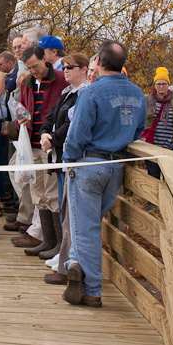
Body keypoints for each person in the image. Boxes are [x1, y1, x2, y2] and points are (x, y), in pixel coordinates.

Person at [63, 41, 145, 308]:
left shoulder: (92, 93)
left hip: (89, 164)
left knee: (84, 227)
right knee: (89, 222)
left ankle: (92, 288)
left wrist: (68, 159)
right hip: (117, 166)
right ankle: (76, 264)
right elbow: (138, 131)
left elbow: (78, 134)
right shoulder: (136, 93)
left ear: (97, 61)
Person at [40, 53, 89, 284]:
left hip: (72, 159)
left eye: (71, 67)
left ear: (85, 69)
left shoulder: (85, 94)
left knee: (71, 213)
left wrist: (54, 139)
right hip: (58, 156)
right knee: (61, 204)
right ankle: (62, 252)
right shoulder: (66, 92)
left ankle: (68, 260)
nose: (66, 70)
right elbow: (51, 115)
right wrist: (45, 133)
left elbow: (73, 125)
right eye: (65, 67)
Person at [13, 46, 67, 256]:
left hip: (50, 145)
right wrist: (22, 119)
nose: (33, 70)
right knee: (38, 194)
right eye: (29, 67)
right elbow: (22, 107)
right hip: (31, 144)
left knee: (52, 194)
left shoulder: (61, 80)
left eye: (35, 66)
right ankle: (46, 240)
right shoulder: (27, 82)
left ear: (45, 59)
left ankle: (57, 245)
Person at [143, 67, 173, 176]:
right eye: (158, 84)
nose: (161, 86)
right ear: (155, 85)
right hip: (151, 145)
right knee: (153, 176)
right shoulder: (147, 100)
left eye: (164, 84)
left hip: (170, 145)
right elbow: (141, 119)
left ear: (168, 84)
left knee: (170, 178)